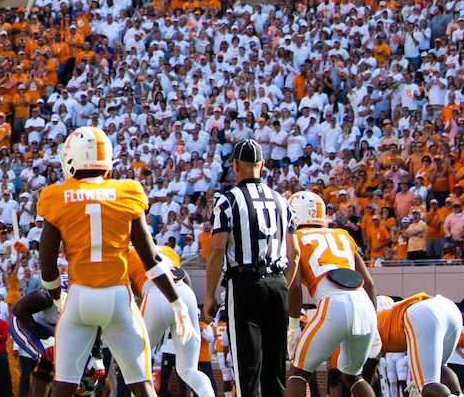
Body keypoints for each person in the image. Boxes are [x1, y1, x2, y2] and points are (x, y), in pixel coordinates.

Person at [35, 126, 186, 397]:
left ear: (73, 159)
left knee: (63, 385)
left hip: (80, 298)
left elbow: (47, 268)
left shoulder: (56, 196)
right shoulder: (127, 191)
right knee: (142, 385)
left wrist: (59, 301)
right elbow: (151, 260)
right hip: (118, 299)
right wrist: (178, 305)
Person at [202, 141, 292, 397]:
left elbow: (218, 248)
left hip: (245, 282)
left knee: (247, 369)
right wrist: (281, 285)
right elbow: (293, 254)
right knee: (275, 371)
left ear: (235, 166)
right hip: (278, 281)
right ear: (262, 165)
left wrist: (209, 295)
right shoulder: (282, 201)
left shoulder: (228, 201)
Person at [285, 192, 378, 397]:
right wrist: (376, 324)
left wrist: (293, 325)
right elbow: (369, 284)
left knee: (298, 373)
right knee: (354, 376)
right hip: (364, 305)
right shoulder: (342, 235)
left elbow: (293, 286)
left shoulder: (295, 238)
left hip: (332, 303)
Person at [134, 261, 210, 397]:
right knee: (188, 369)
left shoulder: (125, 251)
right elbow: (185, 275)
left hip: (155, 293)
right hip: (185, 294)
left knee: (135, 365)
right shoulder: (167, 251)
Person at [370, 295, 464, 397]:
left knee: (427, 385)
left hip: (424, 314)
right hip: (449, 307)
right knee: (440, 367)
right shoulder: (392, 311)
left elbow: (368, 372)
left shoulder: (374, 323)